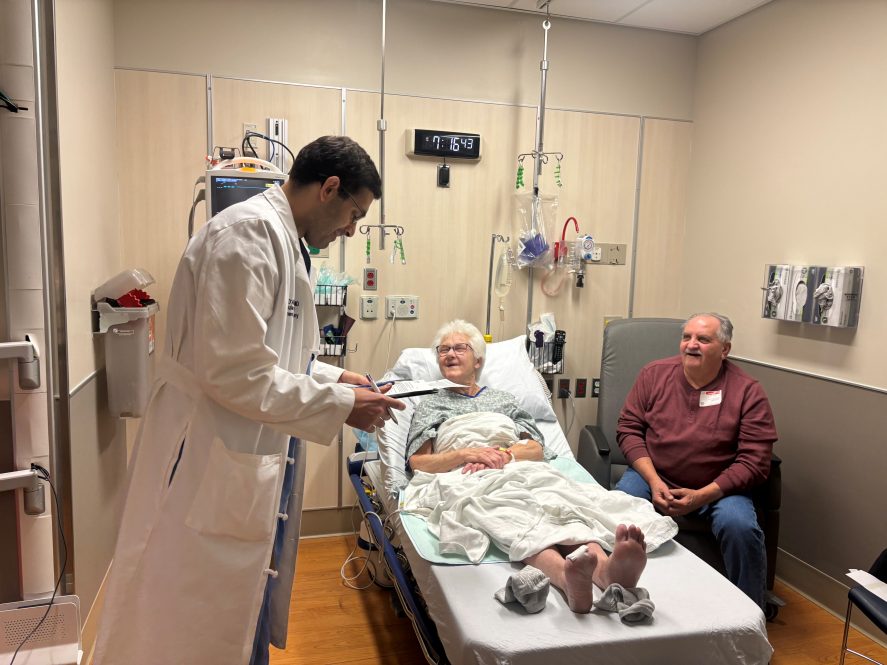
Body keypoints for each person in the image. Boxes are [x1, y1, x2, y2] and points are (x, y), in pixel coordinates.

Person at [94, 136, 405, 665]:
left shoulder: (282, 239)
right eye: (354, 213)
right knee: (190, 618)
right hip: (207, 455)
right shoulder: (246, 236)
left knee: (238, 608)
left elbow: (274, 355)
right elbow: (235, 371)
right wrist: (341, 405)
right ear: (329, 188)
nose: (351, 229)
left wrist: (335, 377)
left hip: (242, 450)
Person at [405, 320, 657, 614]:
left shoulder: (504, 399)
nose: (449, 354)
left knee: (559, 502)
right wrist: (467, 453)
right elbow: (418, 463)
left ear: (478, 361)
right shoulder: (430, 405)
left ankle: (605, 571)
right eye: (443, 349)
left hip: (517, 465)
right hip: (468, 472)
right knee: (511, 510)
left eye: (459, 347)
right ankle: (566, 576)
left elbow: (536, 448)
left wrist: (505, 455)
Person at [615, 312, 777, 609]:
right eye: (686, 337)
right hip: (654, 473)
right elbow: (628, 429)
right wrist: (653, 481)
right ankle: (615, 594)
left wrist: (703, 495)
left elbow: (755, 460)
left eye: (703, 339)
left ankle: (751, 616)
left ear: (725, 349)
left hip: (717, 486)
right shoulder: (654, 375)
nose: (691, 345)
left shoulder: (747, 391)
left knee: (741, 528)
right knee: (617, 512)